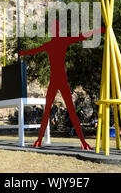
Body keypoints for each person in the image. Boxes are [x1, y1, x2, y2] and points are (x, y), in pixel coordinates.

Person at [20, 20, 105, 150]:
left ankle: (80, 142)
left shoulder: (56, 43)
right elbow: (82, 36)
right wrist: (98, 31)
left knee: (55, 110)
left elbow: (81, 36)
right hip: (57, 80)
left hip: (58, 80)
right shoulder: (59, 42)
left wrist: (97, 31)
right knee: (56, 110)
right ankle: (41, 140)